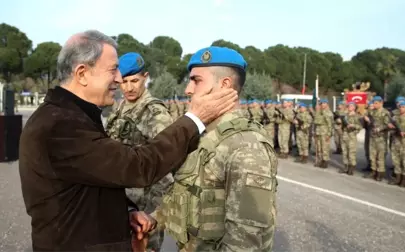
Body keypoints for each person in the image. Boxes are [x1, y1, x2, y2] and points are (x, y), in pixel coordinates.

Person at [18, 30, 237, 252]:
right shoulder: (61, 125)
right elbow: (138, 165)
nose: (119, 79)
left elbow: (90, 183)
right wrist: (195, 119)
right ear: (82, 73)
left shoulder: (71, 116)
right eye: (113, 70)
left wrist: (127, 212)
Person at [158, 46, 278, 252]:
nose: (187, 89)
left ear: (225, 85)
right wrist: (154, 219)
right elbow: (185, 195)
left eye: (196, 80)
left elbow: (245, 243)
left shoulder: (246, 146)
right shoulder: (204, 135)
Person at [105, 52, 174, 251]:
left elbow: (166, 160)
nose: (128, 87)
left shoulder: (154, 113)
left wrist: (156, 213)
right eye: (124, 82)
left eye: (134, 80)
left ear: (146, 77)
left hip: (145, 206)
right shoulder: (119, 109)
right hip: (122, 201)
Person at [363, 96, 390, 181]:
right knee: (372, 155)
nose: (374, 105)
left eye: (376, 103)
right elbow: (368, 120)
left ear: (381, 103)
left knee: (380, 156)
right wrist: (367, 120)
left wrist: (379, 128)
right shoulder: (372, 112)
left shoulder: (385, 113)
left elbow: (388, 125)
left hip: (381, 138)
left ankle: (380, 173)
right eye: (373, 103)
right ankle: (373, 171)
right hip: (372, 137)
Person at [339, 102, 362, 175]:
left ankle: (351, 168)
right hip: (345, 135)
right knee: (345, 152)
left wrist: (353, 125)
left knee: (351, 153)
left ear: (354, 107)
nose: (349, 107)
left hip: (352, 136)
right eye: (348, 106)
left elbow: (360, 126)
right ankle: (345, 167)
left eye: (351, 106)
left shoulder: (357, 116)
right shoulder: (345, 116)